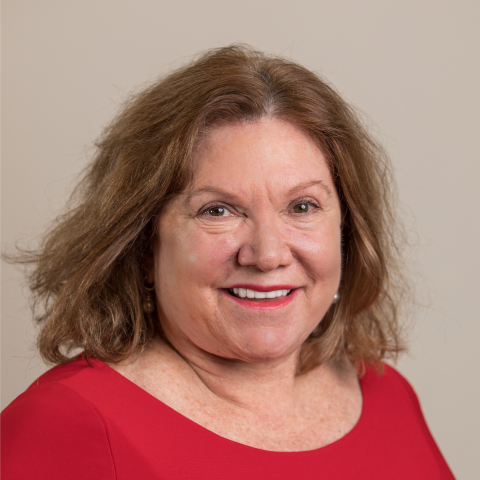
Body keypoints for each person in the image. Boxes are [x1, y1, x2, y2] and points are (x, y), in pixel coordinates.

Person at [0, 45, 454, 479]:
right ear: (141, 244)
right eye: (218, 210)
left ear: (347, 232)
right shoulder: (68, 425)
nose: (269, 255)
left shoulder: (385, 393)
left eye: (302, 207)